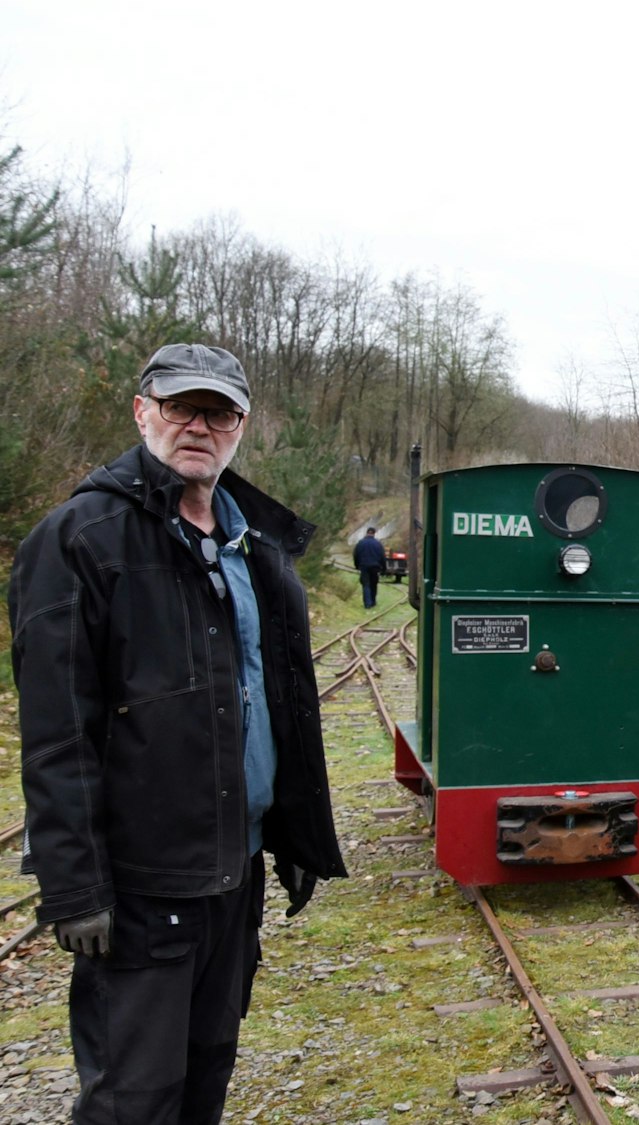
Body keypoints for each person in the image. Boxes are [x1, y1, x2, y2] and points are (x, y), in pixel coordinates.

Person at [9, 342, 347, 1123]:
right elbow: (57, 732)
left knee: (206, 1076)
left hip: (233, 870)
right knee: (134, 1097)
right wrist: (74, 887)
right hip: (139, 885)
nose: (198, 424)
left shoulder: (251, 546)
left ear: (241, 426)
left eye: (218, 411)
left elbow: (274, 698)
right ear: (142, 411)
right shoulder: (80, 541)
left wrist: (291, 832)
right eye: (179, 406)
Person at [353, 526, 385, 609]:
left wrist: (357, 565)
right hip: (375, 567)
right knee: (373, 584)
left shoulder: (360, 543)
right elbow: (382, 557)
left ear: (367, 533)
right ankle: (373, 602)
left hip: (364, 566)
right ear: (374, 533)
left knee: (366, 585)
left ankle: (367, 604)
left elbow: (356, 555)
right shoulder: (378, 544)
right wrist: (383, 568)